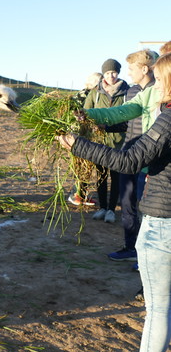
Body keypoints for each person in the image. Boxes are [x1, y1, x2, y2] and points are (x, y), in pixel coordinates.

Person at [55, 52, 171, 352]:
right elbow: (126, 118)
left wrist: (79, 144)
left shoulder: (167, 120)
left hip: (163, 223)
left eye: (161, 76)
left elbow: (128, 160)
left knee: (158, 309)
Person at [107, 50, 158, 264]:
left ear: (144, 68)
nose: (127, 73)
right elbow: (126, 120)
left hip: (147, 157)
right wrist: (103, 125)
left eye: (131, 68)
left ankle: (147, 254)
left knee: (145, 208)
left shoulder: (160, 92)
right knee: (127, 203)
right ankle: (131, 247)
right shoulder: (132, 92)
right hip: (128, 152)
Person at [83, 59, 129, 223]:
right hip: (99, 142)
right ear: (104, 73)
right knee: (101, 176)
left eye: (114, 72)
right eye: (108, 72)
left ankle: (111, 210)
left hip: (119, 142)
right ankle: (102, 207)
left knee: (115, 177)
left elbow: (129, 117)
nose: (111, 76)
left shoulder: (126, 92)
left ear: (118, 73)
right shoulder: (95, 92)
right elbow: (85, 112)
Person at [68, 72, 102, 206]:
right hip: (79, 135)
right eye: (99, 81)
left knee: (87, 167)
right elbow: (76, 114)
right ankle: (75, 195)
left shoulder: (96, 94)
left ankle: (82, 195)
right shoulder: (82, 95)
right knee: (80, 166)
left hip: (89, 135)